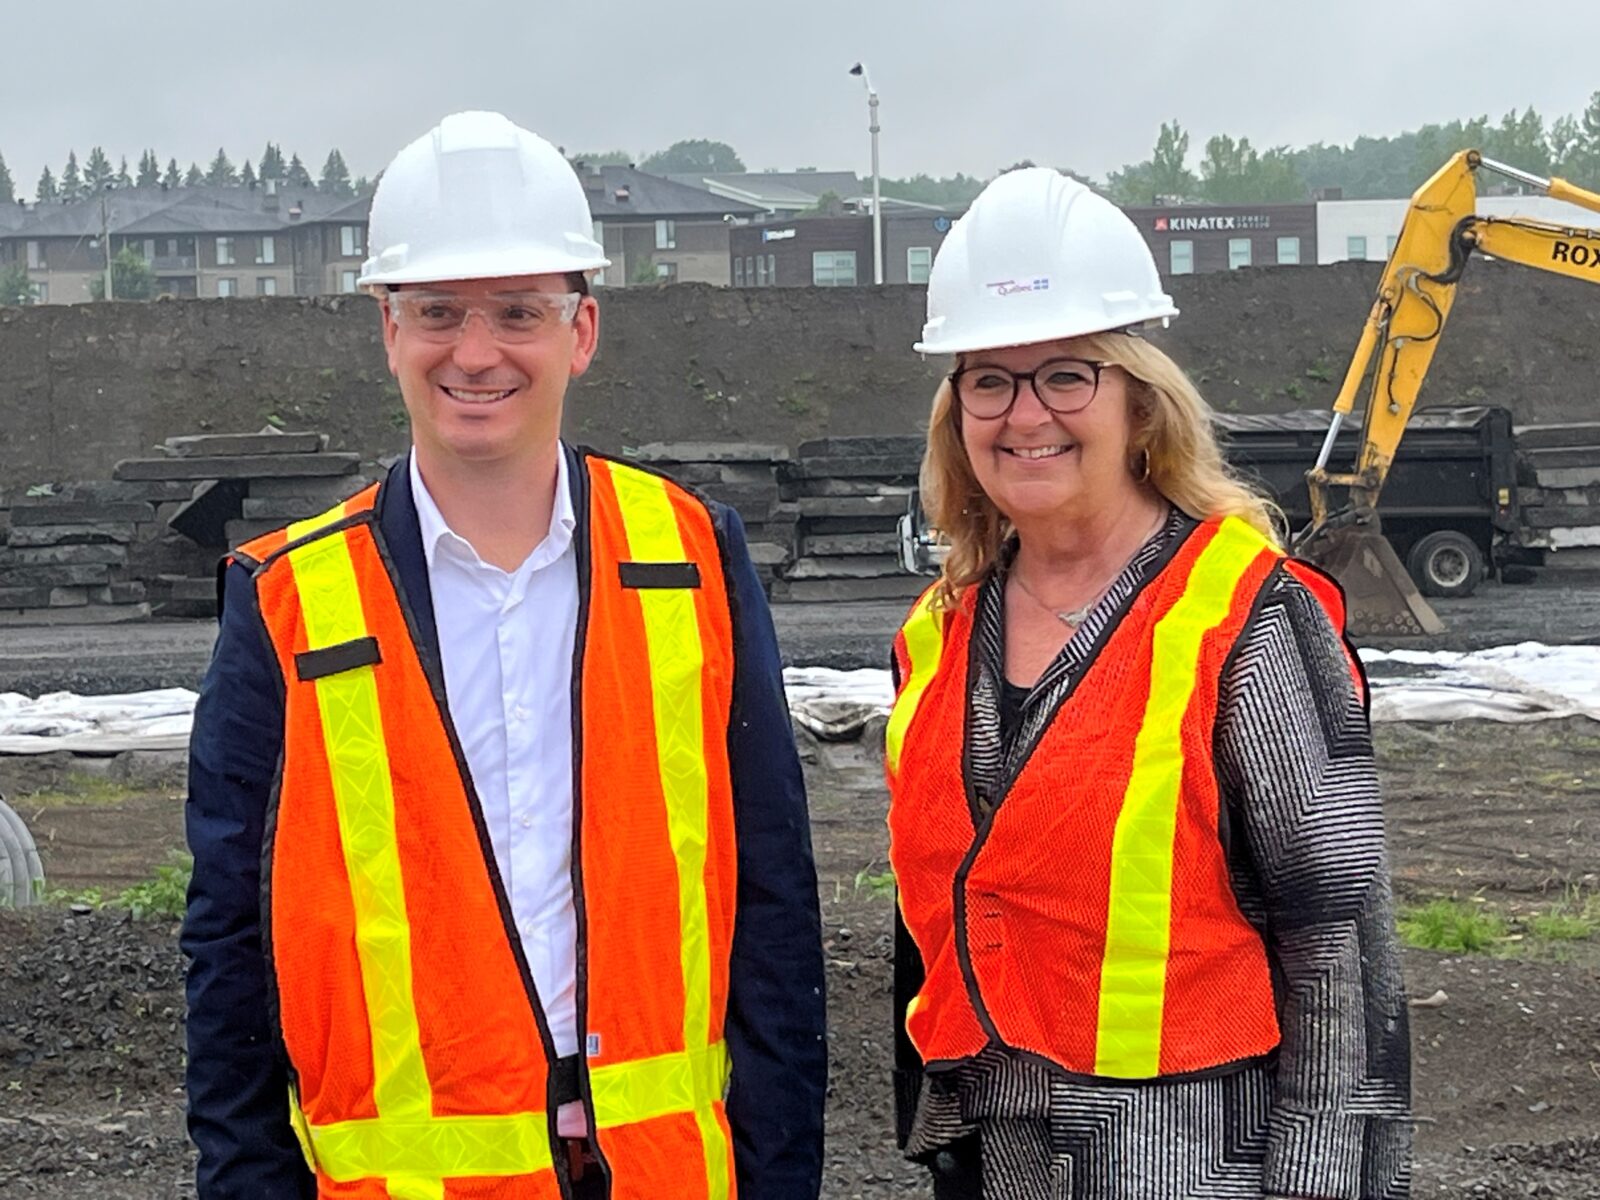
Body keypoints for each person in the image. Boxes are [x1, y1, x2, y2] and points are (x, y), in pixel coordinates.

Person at [181, 111, 827, 1200]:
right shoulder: (287, 600)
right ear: (388, 329)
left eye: (517, 313)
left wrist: (780, 1175)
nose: (474, 352)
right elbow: (230, 948)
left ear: (580, 331)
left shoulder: (692, 557)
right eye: (437, 312)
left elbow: (772, 901)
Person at [884, 168, 1412, 1199]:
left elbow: (1339, 952)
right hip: (991, 1153)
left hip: (1194, 1161)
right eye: (988, 379)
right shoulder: (939, 632)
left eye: (1066, 375)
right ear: (956, 411)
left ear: (1138, 401)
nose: (1022, 413)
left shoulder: (1246, 617)